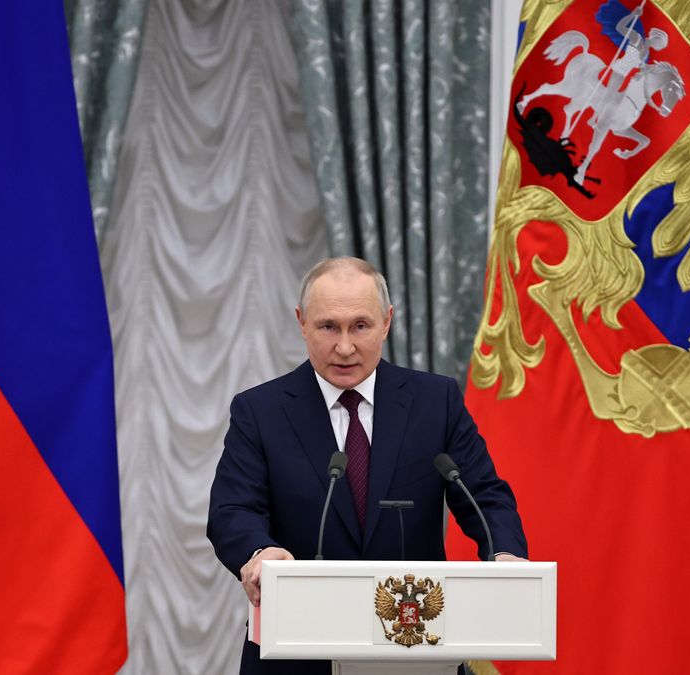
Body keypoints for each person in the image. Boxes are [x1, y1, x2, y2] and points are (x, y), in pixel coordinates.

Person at [207, 257, 527, 675]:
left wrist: (504, 553)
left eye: (360, 326)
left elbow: (484, 495)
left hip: (413, 644)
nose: (345, 347)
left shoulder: (436, 402)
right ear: (302, 322)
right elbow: (232, 509)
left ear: (387, 321)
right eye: (328, 327)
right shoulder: (260, 411)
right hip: (298, 651)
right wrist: (258, 551)